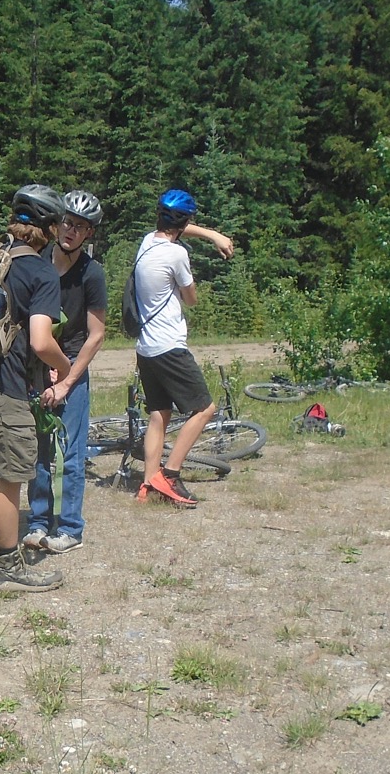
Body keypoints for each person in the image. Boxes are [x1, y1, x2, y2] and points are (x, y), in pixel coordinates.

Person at [0, 184, 73, 594]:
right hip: (3, 382)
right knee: (10, 474)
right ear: (51, 228)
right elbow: (41, 341)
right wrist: (65, 366)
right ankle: (6, 563)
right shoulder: (40, 272)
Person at [131, 189, 235, 507]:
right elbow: (191, 299)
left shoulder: (148, 242)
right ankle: (170, 474)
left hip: (145, 347)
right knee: (204, 409)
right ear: (185, 219)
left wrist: (212, 235)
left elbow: (177, 228)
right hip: (169, 347)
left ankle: (148, 485)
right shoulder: (177, 256)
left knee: (159, 415)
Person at [23, 190, 107, 555]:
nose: (72, 231)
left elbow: (97, 333)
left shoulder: (92, 274)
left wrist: (69, 378)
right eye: (68, 223)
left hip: (72, 367)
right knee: (39, 449)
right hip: (39, 367)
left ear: (89, 234)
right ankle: (39, 521)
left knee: (71, 452)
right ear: (57, 224)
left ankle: (71, 527)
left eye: (81, 227)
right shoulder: (38, 262)